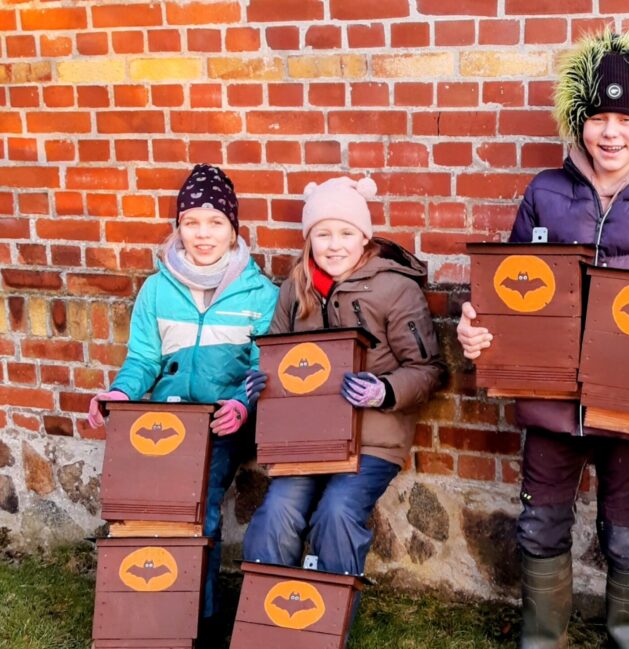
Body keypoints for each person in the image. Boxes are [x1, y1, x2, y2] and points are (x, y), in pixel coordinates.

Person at [457, 29, 629, 648]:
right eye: (599, 118)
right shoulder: (544, 192)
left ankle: (628, 641)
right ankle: (542, 640)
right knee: (541, 526)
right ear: (579, 122)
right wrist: (478, 327)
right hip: (550, 400)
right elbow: (508, 285)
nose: (611, 133)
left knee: (626, 535)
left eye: (627, 120)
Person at [241, 176, 445, 637]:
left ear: (365, 236)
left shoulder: (394, 289)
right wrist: (263, 381)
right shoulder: (296, 288)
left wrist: (384, 390)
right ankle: (270, 631)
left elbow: (430, 369)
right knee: (277, 513)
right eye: (323, 233)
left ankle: (324, 631)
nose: (334, 246)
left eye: (346, 233)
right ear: (309, 238)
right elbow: (275, 352)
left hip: (373, 439)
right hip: (307, 439)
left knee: (336, 512)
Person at [85, 163, 279, 632]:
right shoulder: (157, 290)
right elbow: (142, 361)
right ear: (178, 228)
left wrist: (241, 405)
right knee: (141, 503)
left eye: (215, 222)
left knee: (197, 499)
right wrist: (118, 393)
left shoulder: (261, 293)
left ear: (234, 229)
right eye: (191, 222)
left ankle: (199, 618)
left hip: (224, 421)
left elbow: (263, 369)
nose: (203, 234)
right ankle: (148, 608)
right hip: (168, 420)